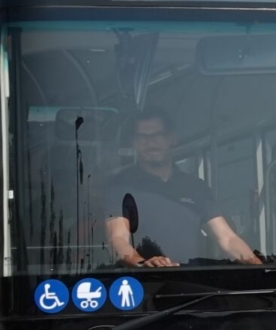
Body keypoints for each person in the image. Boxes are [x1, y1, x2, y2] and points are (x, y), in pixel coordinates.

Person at [103, 108, 261, 268]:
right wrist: (142, 264)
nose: (150, 142)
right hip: (145, 287)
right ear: (134, 143)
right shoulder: (119, 187)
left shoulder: (195, 187)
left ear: (172, 138)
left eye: (158, 135)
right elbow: (117, 238)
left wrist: (258, 266)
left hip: (192, 286)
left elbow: (227, 238)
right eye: (142, 137)